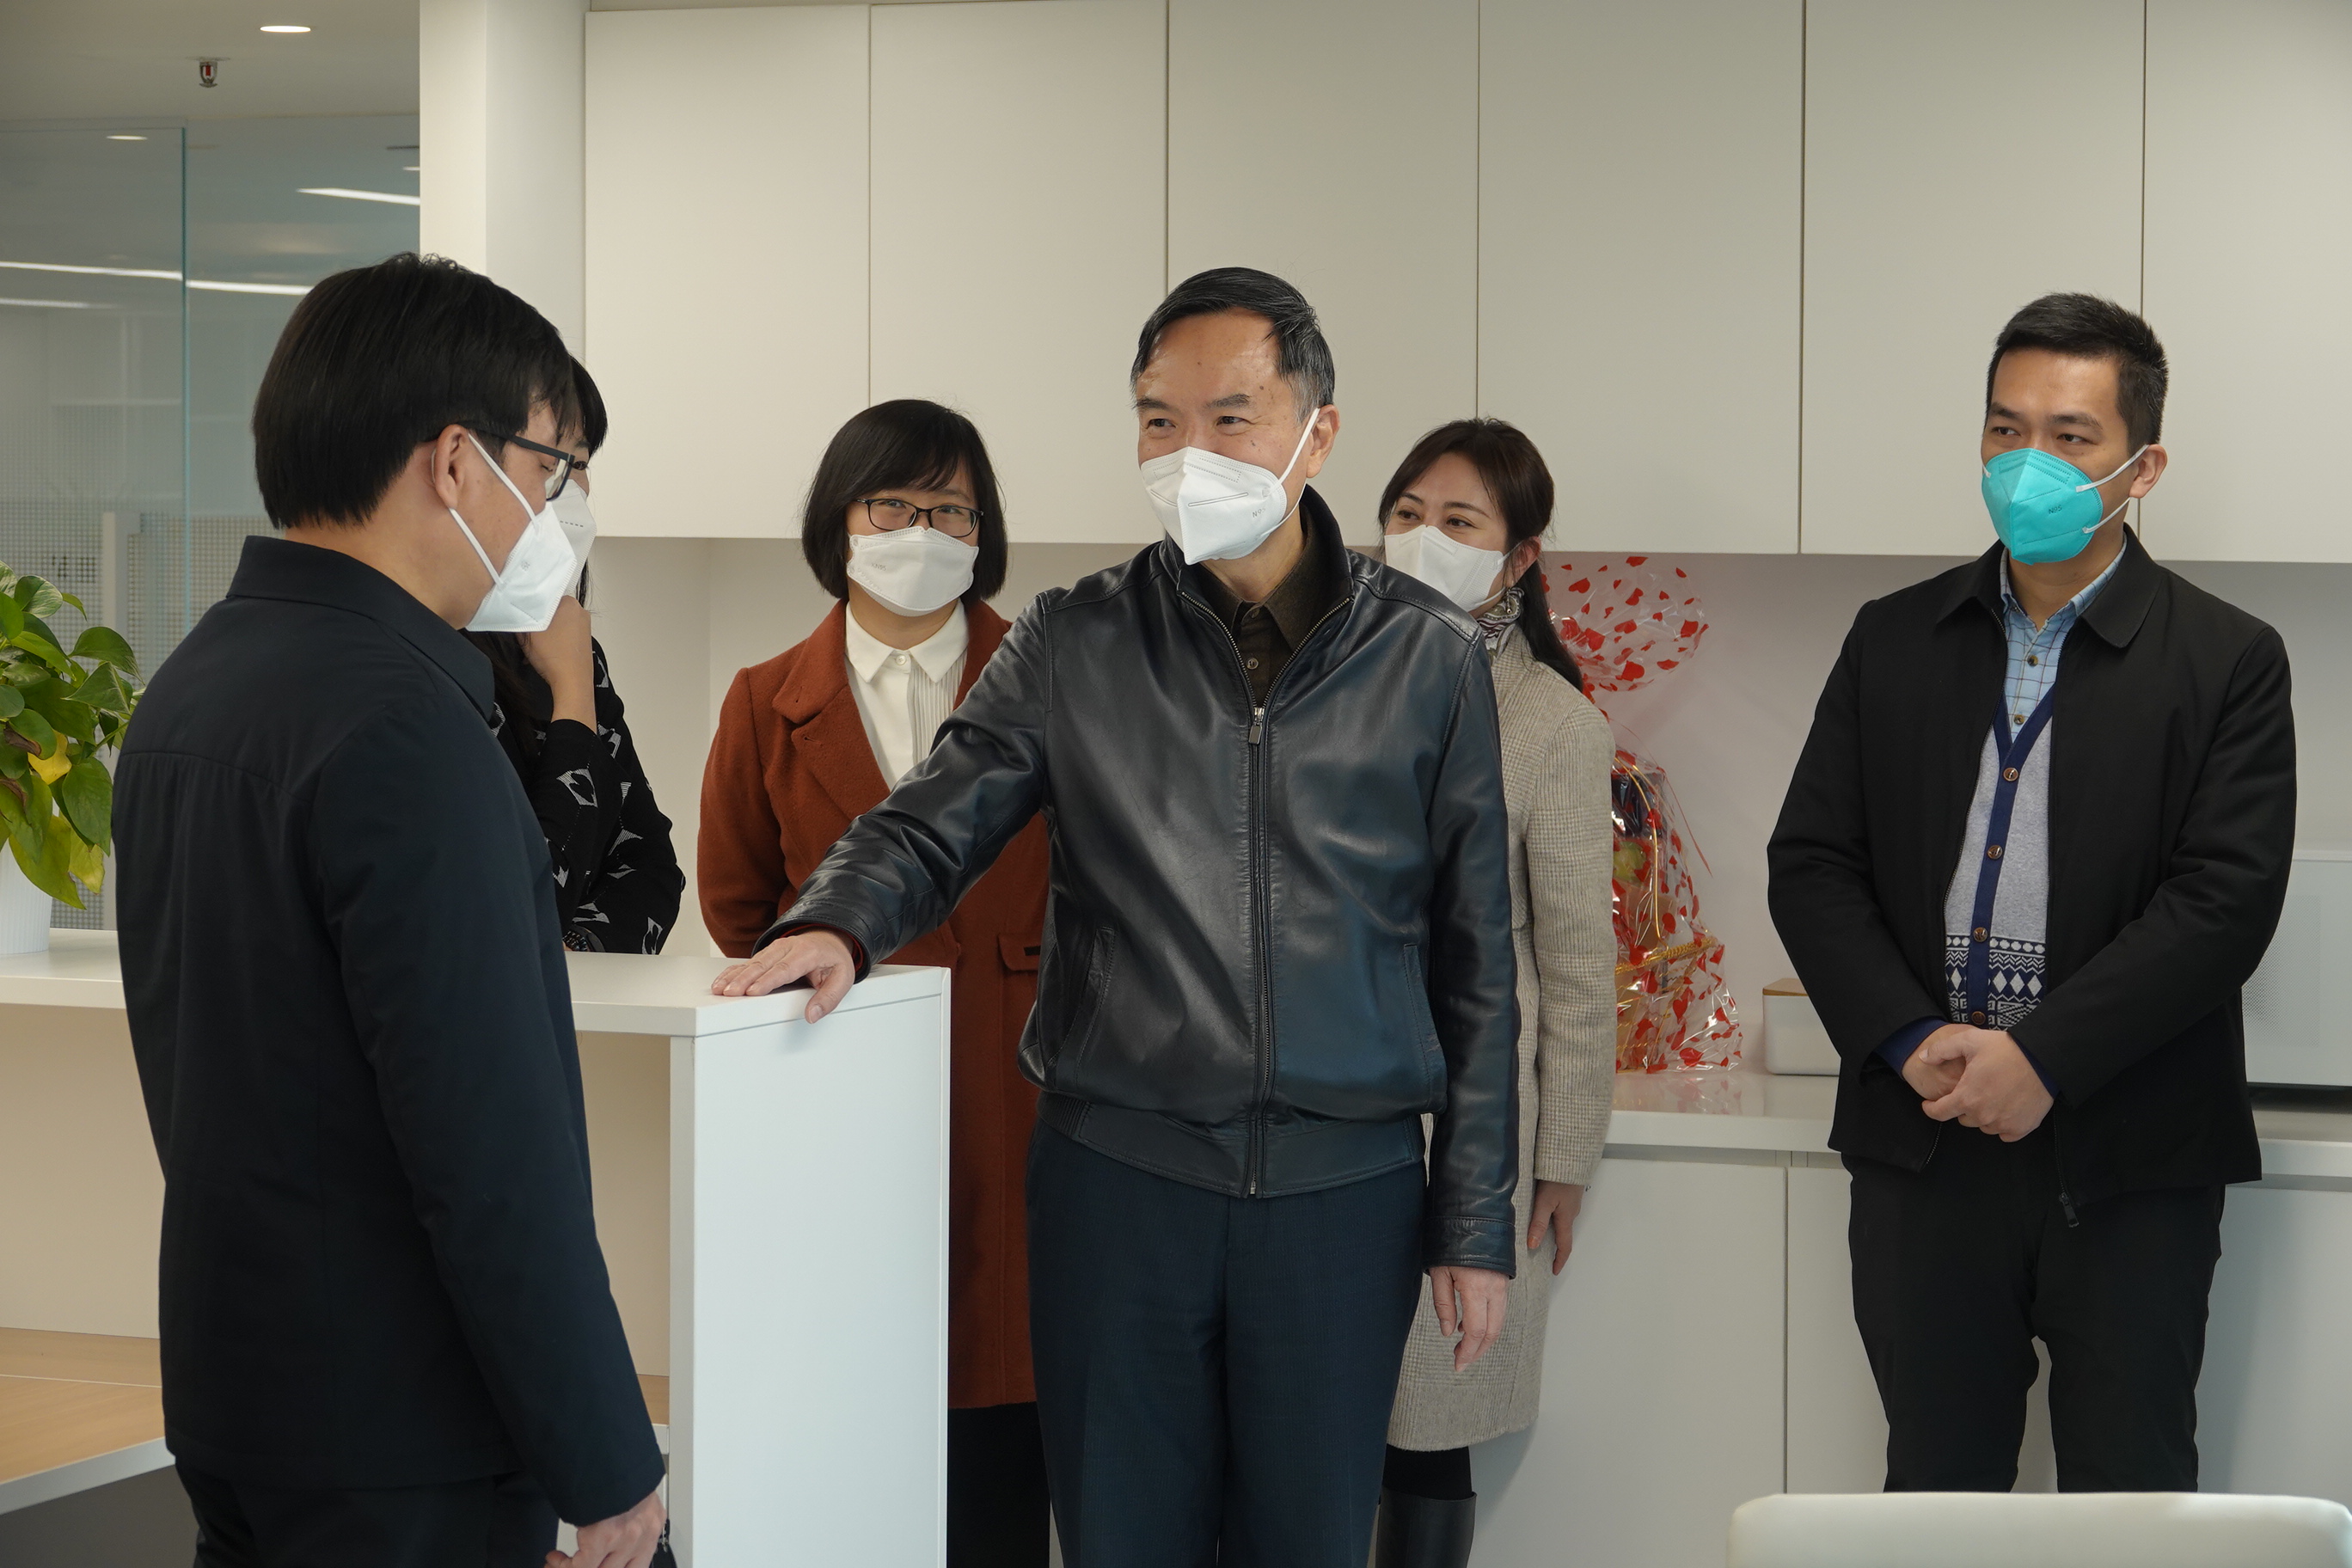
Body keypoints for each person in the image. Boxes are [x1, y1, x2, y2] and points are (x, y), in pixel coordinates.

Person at [708, 266, 1521, 1567]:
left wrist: (1471, 1224)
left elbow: (1477, 965)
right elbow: (935, 815)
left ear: (1318, 432)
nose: (1189, 452)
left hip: (1342, 1194)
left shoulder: (1428, 657)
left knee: (1309, 1542)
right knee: (1118, 1540)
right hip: (1118, 1184)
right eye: (1158, 419)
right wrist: (838, 922)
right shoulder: (1073, 639)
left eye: (1230, 417)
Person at [114, 252, 667, 1568]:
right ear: (456, 463)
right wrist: (607, 1465)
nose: (555, 513)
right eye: (550, 470)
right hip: (405, 1437)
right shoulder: (408, 731)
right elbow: (492, 1160)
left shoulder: (192, 687)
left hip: (242, 1391)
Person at [1767, 292, 2296, 1491]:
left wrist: (2044, 1058)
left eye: (2070, 437)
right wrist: (1910, 1039)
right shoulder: (1893, 637)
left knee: (2130, 1496)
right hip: (1927, 1138)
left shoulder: (2228, 660)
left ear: (2142, 467)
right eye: (2006, 430)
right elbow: (1813, 862)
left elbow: (2223, 903)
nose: (2028, 463)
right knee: (1936, 1490)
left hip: (2133, 1154)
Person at [696, 399, 1052, 1567]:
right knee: (843, 1421)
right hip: (835, 1098)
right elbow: (739, 906)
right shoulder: (764, 699)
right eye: (892, 504)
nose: (922, 531)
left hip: (1020, 1097)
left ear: (984, 532)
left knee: (1002, 1426)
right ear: (838, 523)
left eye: (951, 509)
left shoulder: (1056, 681)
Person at [1373, 420, 1615, 1568]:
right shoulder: (1325, 680)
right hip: (1325, 1109)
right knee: (1304, 1413)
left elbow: (1576, 963)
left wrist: (1564, 1154)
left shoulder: (1554, 724)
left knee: (1429, 1420)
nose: (1424, 537)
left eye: (1459, 522)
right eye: (1407, 514)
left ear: (1519, 558)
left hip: (1468, 1125)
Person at [465, 356, 682, 955]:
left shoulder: (571, 646)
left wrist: (571, 951)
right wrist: (573, 703)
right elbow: (520, 903)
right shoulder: (432, 661)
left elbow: (652, 867)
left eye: (579, 464)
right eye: (548, 463)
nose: (569, 490)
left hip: (567, 1006)